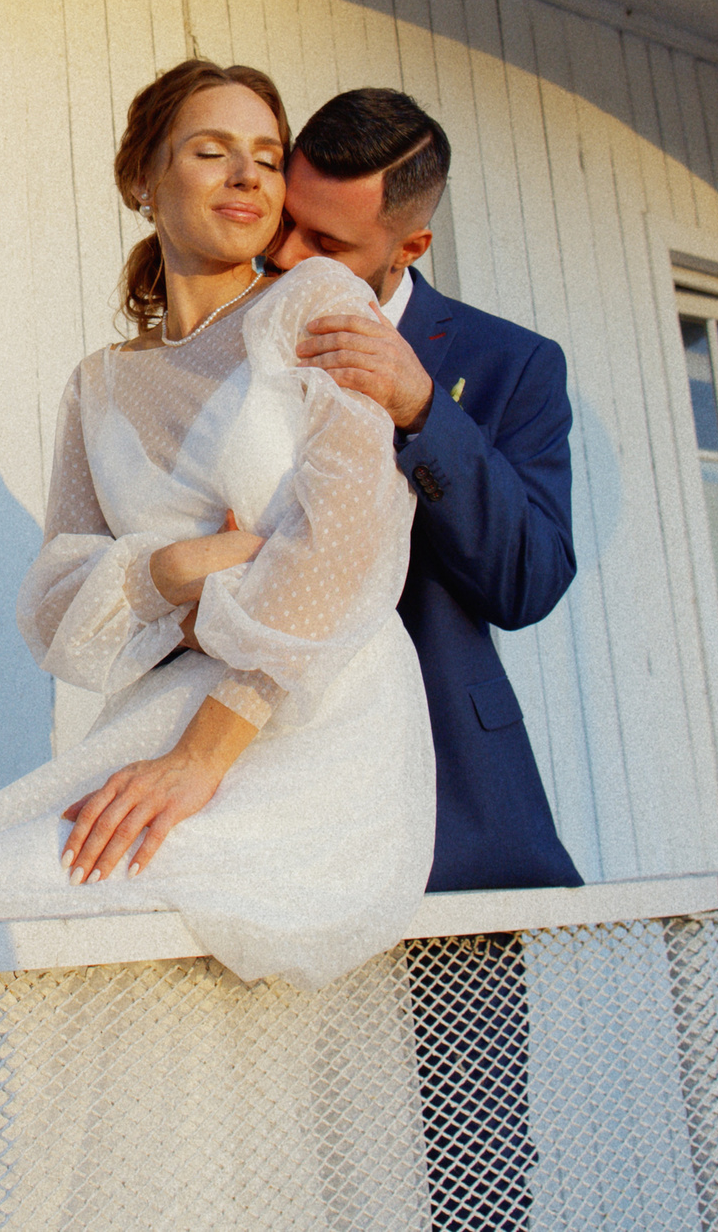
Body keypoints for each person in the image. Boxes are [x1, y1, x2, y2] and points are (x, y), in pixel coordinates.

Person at [0, 60, 437, 995]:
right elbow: (52, 602)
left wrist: (197, 760)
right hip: (161, 719)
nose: (248, 176)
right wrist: (186, 564)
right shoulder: (100, 382)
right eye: (212, 151)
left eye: (267, 157)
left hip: (310, 723)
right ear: (142, 180)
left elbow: (345, 541)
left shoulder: (318, 303)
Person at [271, 85, 582, 1230]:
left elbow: (527, 580)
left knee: (472, 1167)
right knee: (291, 1152)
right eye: (287, 223)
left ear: (412, 243)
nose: (288, 256)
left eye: (328, 243)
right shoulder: (232, 325)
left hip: (450, 807)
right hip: (269, 794)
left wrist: (419, 411)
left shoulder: (509, 366)